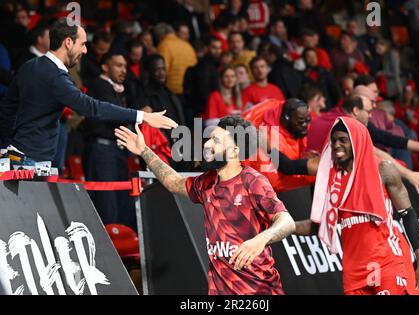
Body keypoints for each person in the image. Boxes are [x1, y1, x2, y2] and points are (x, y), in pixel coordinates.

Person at [115, 115, 296, 295]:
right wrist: (144, 150)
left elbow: (287, 221)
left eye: (215, 140)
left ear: (234, 151)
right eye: (209, 138)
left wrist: (261, 239)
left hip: (258, 291)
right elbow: (173, 182)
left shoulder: (252, 181)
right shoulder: (206, 183)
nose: (207, 144)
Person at [0, 18, 177, 165]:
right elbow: (93, 108)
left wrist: (5, 148)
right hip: (32, 162)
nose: (85, 50)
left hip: (16, 156)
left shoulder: (28, 66)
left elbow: (7, 110)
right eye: (83, 44)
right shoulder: (56, 78)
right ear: (68, 43)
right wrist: (143, 116)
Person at [294, 117, 419, 295]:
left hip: (387, 263)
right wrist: (283, 227)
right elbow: (318, 225)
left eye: (343, 140)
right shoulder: (331, 178)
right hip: (354, 273)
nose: (336, 145)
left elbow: (408, 215)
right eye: (333, 140)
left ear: (356, 141)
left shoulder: (383, 169)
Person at [81, 51, 139, 228]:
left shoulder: (120, 89)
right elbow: (114, 114)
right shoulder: (99, 85)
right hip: (102, 151)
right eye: (118, 65)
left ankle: (123, 246)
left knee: (122, 203)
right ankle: (109, 247)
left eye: (125, 67)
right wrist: (137, 115)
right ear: (105, 67)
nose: (124, 70)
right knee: (107, 204)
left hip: (117, 152)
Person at [154, 22, 197, 95]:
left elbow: (162, 69)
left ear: (159, 36)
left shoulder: (163, 45)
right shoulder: (187, 45)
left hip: (172, 90)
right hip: (190, 89)